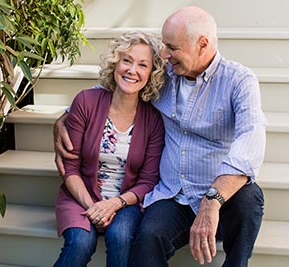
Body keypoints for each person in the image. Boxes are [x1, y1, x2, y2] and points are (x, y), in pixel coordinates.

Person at [55, 6, 267, 267]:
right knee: (146, 240)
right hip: (173, 194)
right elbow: (124, 84)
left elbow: (251, 142)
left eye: (172, 47)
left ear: (202, 44)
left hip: (219, 196)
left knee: (250, 198)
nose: (164, 54)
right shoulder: (166, 74)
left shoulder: (239, 81)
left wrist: (212, 201)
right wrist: (66, 115)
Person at [53, 30, 166, 267]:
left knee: (120, 236)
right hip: (80, 195)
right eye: (126, 60)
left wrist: (113, 205)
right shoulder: (86, 101)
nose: (132, 70)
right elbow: (70, 167)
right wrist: (94, 208)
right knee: (80, 243)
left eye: (142, 65)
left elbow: (148, 181)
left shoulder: (154, 119)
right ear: (115, 64)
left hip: (126, 202)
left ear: (151, 74)